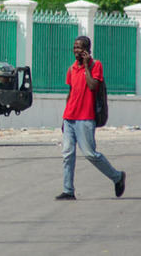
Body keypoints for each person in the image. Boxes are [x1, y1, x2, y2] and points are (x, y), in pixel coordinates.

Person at [55, 36, 125, 200]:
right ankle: (68, 190)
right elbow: (71, 93)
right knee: (67, 154)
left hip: (86, 118)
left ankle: (117, 177)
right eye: (74, 47)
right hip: (70, 117)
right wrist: (64, 118)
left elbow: (93, 86)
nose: (76, 51)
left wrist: (86, 66)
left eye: (79, 48)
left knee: (90, 154)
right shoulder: (71, 68)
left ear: (87, 50)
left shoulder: (96, 65)